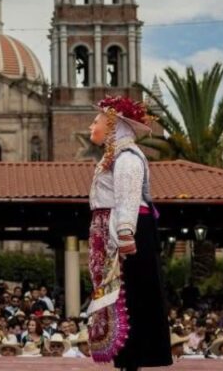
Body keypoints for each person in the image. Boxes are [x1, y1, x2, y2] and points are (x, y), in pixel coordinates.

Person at [86, 96, 172, 369]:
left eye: (96, 121)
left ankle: (134, 357)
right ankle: (127, 357)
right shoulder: (115, 157)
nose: (91, 126)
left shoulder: (127, 158)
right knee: (121, 294)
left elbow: (128, 197)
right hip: (115, 228)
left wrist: (124, 234)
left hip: (128, 230)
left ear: (114, 124)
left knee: (132, 294)